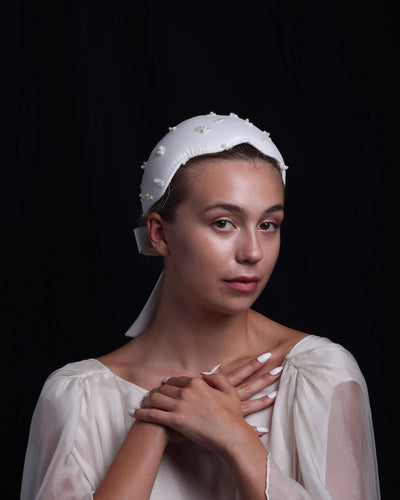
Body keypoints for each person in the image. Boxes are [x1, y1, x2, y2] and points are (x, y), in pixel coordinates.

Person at [21, 113, 380, 499]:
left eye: (268, 225)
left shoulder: (319, 376)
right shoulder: (78, 399)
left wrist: (238, 442)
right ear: (159, 233)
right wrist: (152, 424)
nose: (253, 253)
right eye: (224, 223)